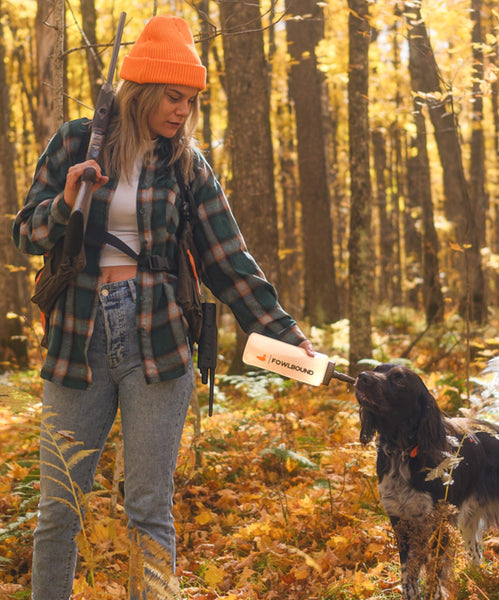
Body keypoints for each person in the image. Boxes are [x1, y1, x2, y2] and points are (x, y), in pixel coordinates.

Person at [13, 14, 314, 599]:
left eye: (192, 100)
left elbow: (229, 263)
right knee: (58, 510)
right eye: (173, 97)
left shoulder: (187, 165)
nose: (183, 111)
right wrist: (67, 198)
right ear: (144, 90)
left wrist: (285, 336)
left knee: (149, 509)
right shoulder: (78, 140)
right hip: (78, 335)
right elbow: (26, 236)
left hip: (159, 338)